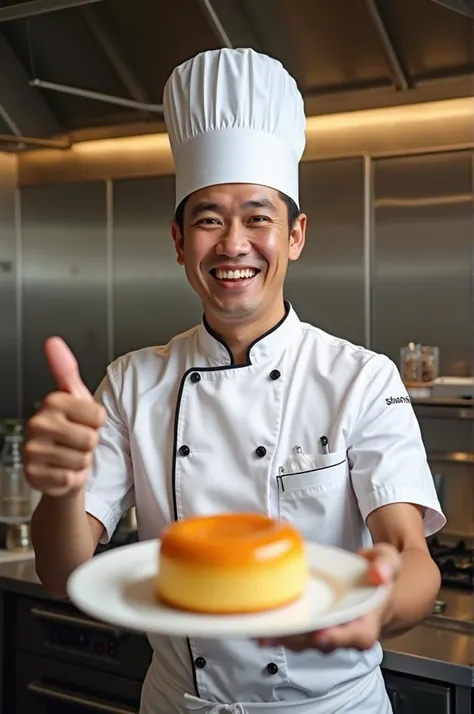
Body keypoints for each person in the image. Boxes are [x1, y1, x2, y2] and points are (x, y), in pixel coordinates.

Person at [25, 48, 445, 714]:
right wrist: (59, 488)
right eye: (209, 219)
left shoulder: (363, 378)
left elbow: (408, 553)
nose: (233, 244)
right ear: (177, 238)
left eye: (258, 216)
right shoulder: (131, 382)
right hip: (180, 702)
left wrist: (384, 606)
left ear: (296, 234)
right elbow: (63, 574)